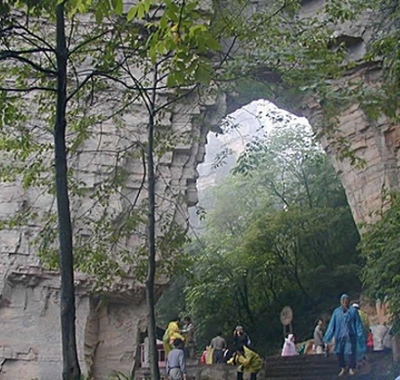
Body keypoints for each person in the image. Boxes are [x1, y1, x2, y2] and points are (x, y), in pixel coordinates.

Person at [324, 294, 366, 377]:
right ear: (341, 301)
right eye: (343, 300)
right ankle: (342, 367)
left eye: (346, 300)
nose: (344, 302)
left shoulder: (353, 311)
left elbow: (358, 324)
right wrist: (327, 337)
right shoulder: (337, 312)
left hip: (350, 336)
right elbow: (332, 325)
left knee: (351, 352)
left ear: (348, 301)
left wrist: (360, 334)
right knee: (339, 352)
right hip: (339, 336)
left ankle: (351, 368)